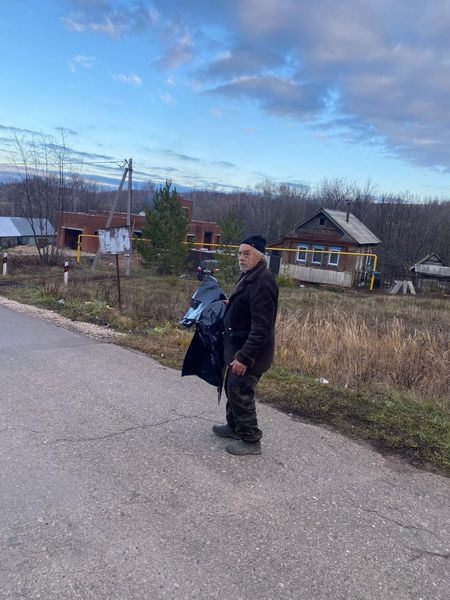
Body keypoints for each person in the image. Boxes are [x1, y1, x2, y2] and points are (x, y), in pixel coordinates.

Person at [212, 234, 279, 455]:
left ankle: (251, 440)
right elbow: (247, 308)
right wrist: (231, 304)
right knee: (232, 389)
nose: (241, 257)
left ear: (258, 256)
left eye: (246, 253)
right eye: (240, 253)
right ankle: (234, 426)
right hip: (237, 348)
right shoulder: (250, 276)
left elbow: (261, 328)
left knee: (241, 393)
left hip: (250, 354)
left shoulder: (263, 282)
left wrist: (244, 358)